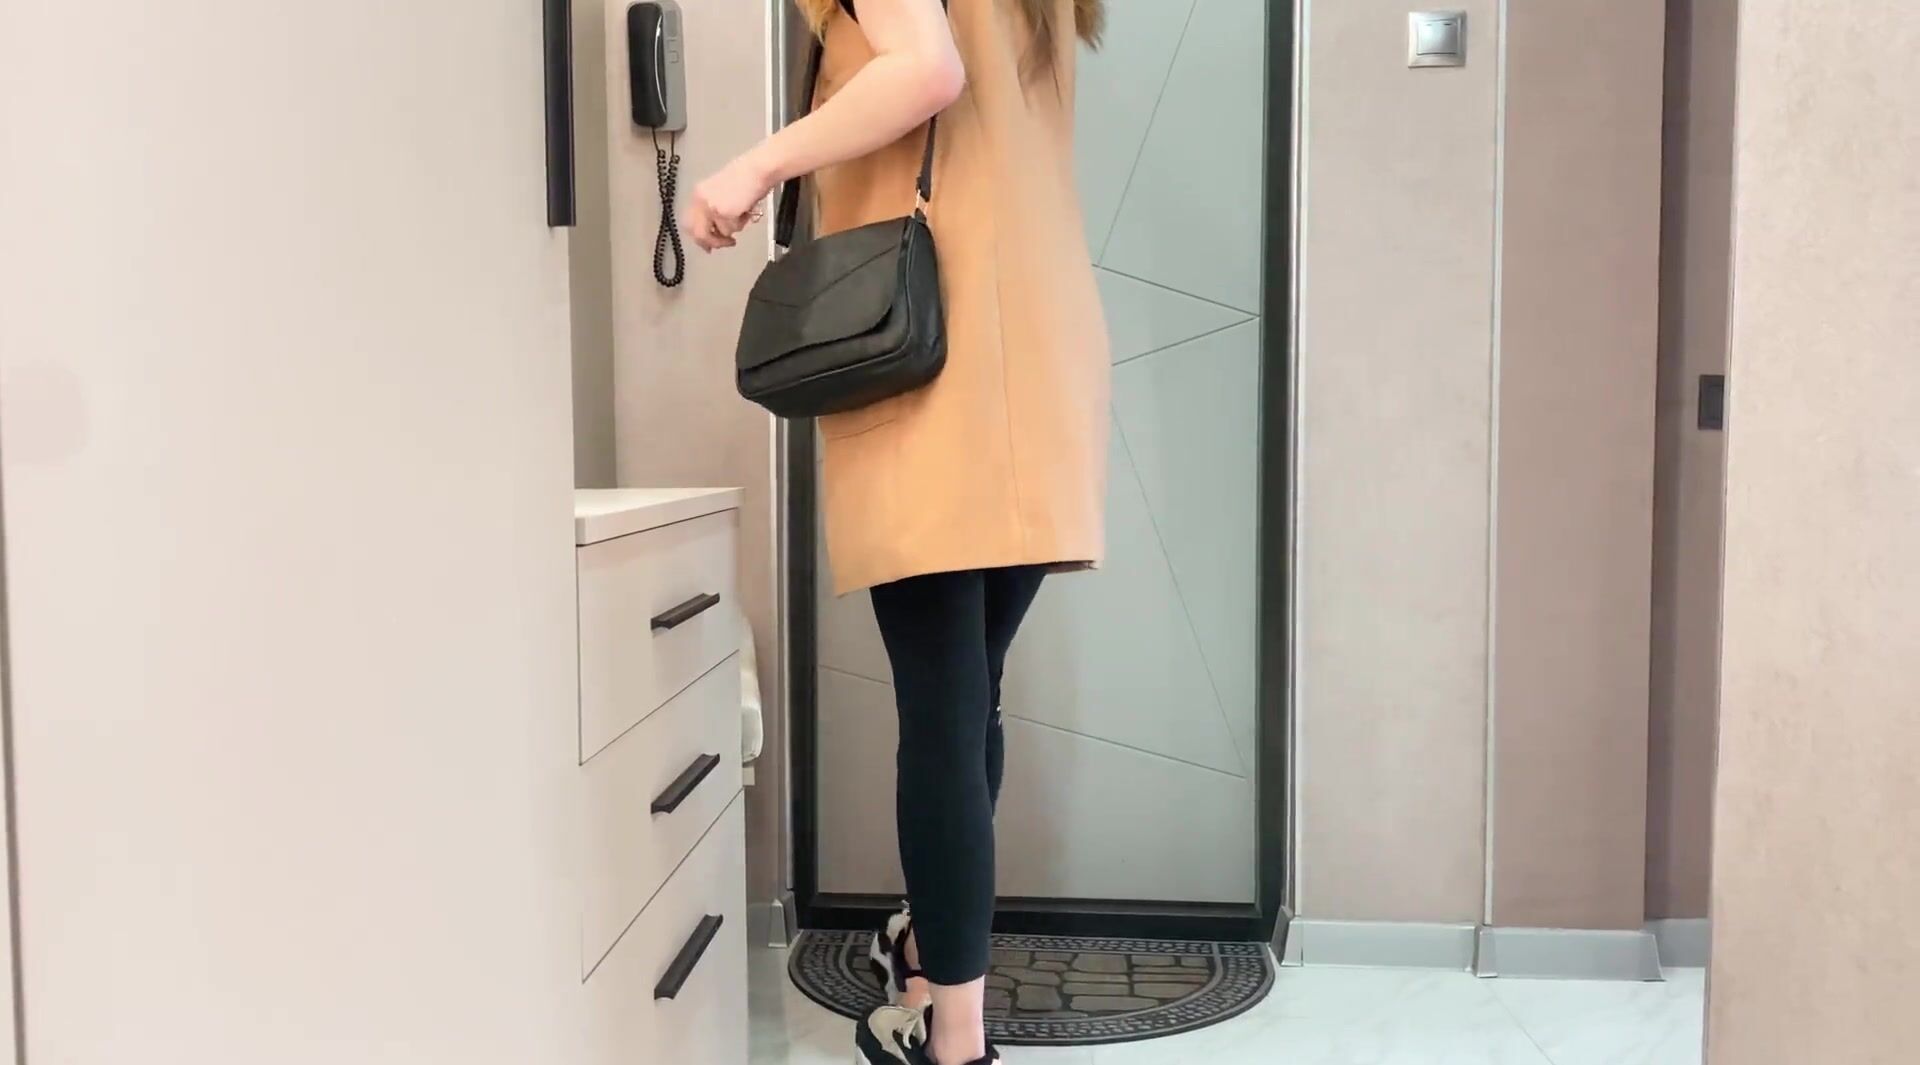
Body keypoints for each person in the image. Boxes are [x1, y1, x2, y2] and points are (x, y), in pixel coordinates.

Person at [688, 1, 1108, 1062]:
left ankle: (952, 1038)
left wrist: (752, 167)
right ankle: (927, 952)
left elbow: (924, 71)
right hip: (1039, 350)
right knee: (968, 701)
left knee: (942, 711)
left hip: (931, 357)